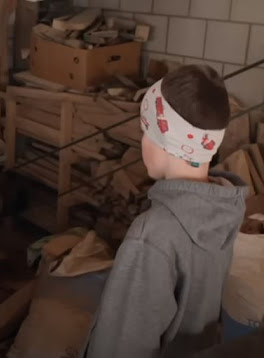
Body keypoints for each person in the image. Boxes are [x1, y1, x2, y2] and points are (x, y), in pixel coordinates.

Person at [82, 65, 250, 358]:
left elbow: (119, 346)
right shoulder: (224, 211)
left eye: (146, 130)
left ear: (165, 140)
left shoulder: (151, 235)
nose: (143, 140)